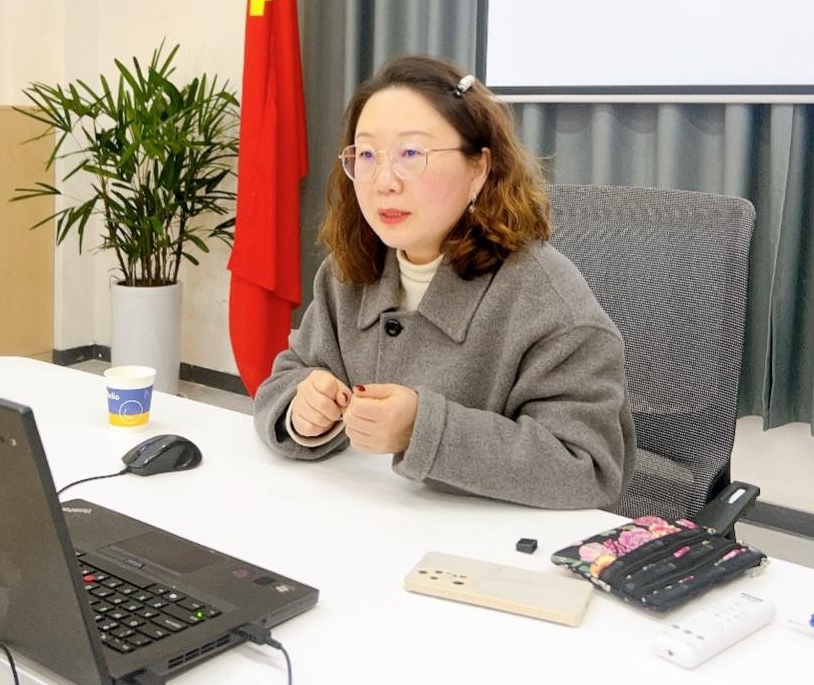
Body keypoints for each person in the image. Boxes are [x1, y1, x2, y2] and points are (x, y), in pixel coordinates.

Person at [251, 55, 636, 509]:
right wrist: (303, 409)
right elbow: (288, 376)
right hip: (372, 518)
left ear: (478, 168)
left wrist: (422, 429)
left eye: (411, 154)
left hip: (492, 539)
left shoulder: (545, 297)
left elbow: (587, 467)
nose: (384, 181)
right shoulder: (350, 270)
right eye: (367, 155)